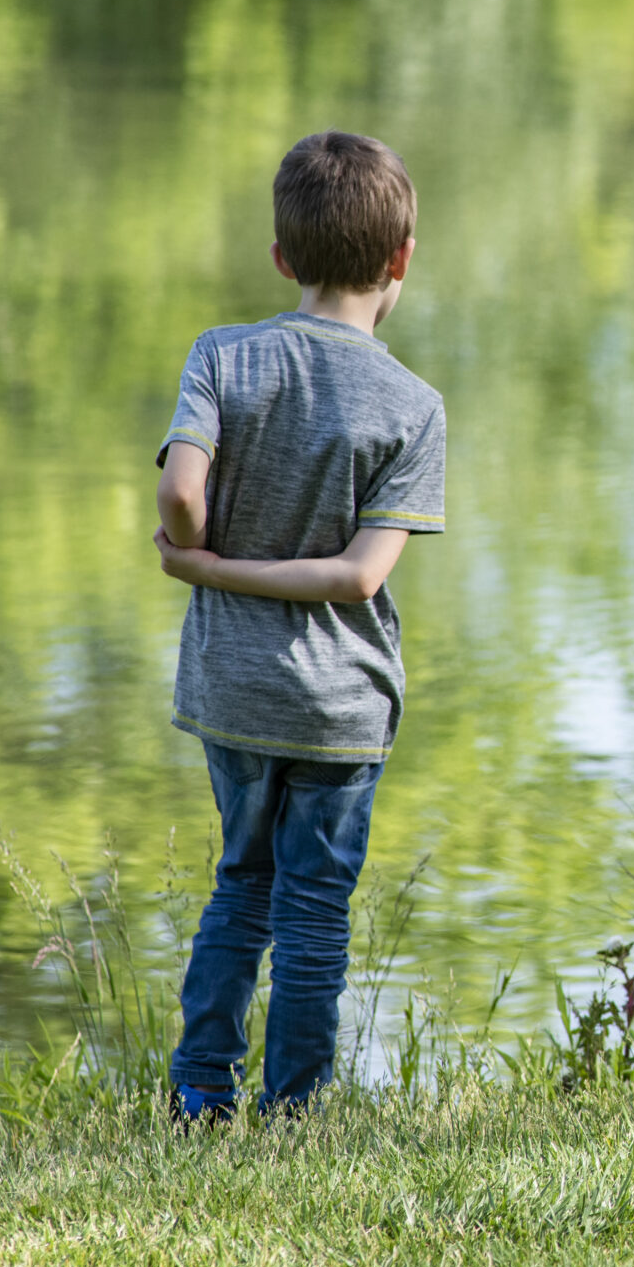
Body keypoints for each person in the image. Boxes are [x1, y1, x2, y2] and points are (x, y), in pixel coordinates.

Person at [151, 129, 448, 1122]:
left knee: (242, 881)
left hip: (234, 689)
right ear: (400, 258)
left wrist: (199, 554)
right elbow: (364, 575)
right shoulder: (413, 404)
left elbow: (181, 493)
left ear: (282, 256)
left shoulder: (222, 355)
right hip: (341, 708)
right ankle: (299, 1105)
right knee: (315, 910)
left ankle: (201, 1090)